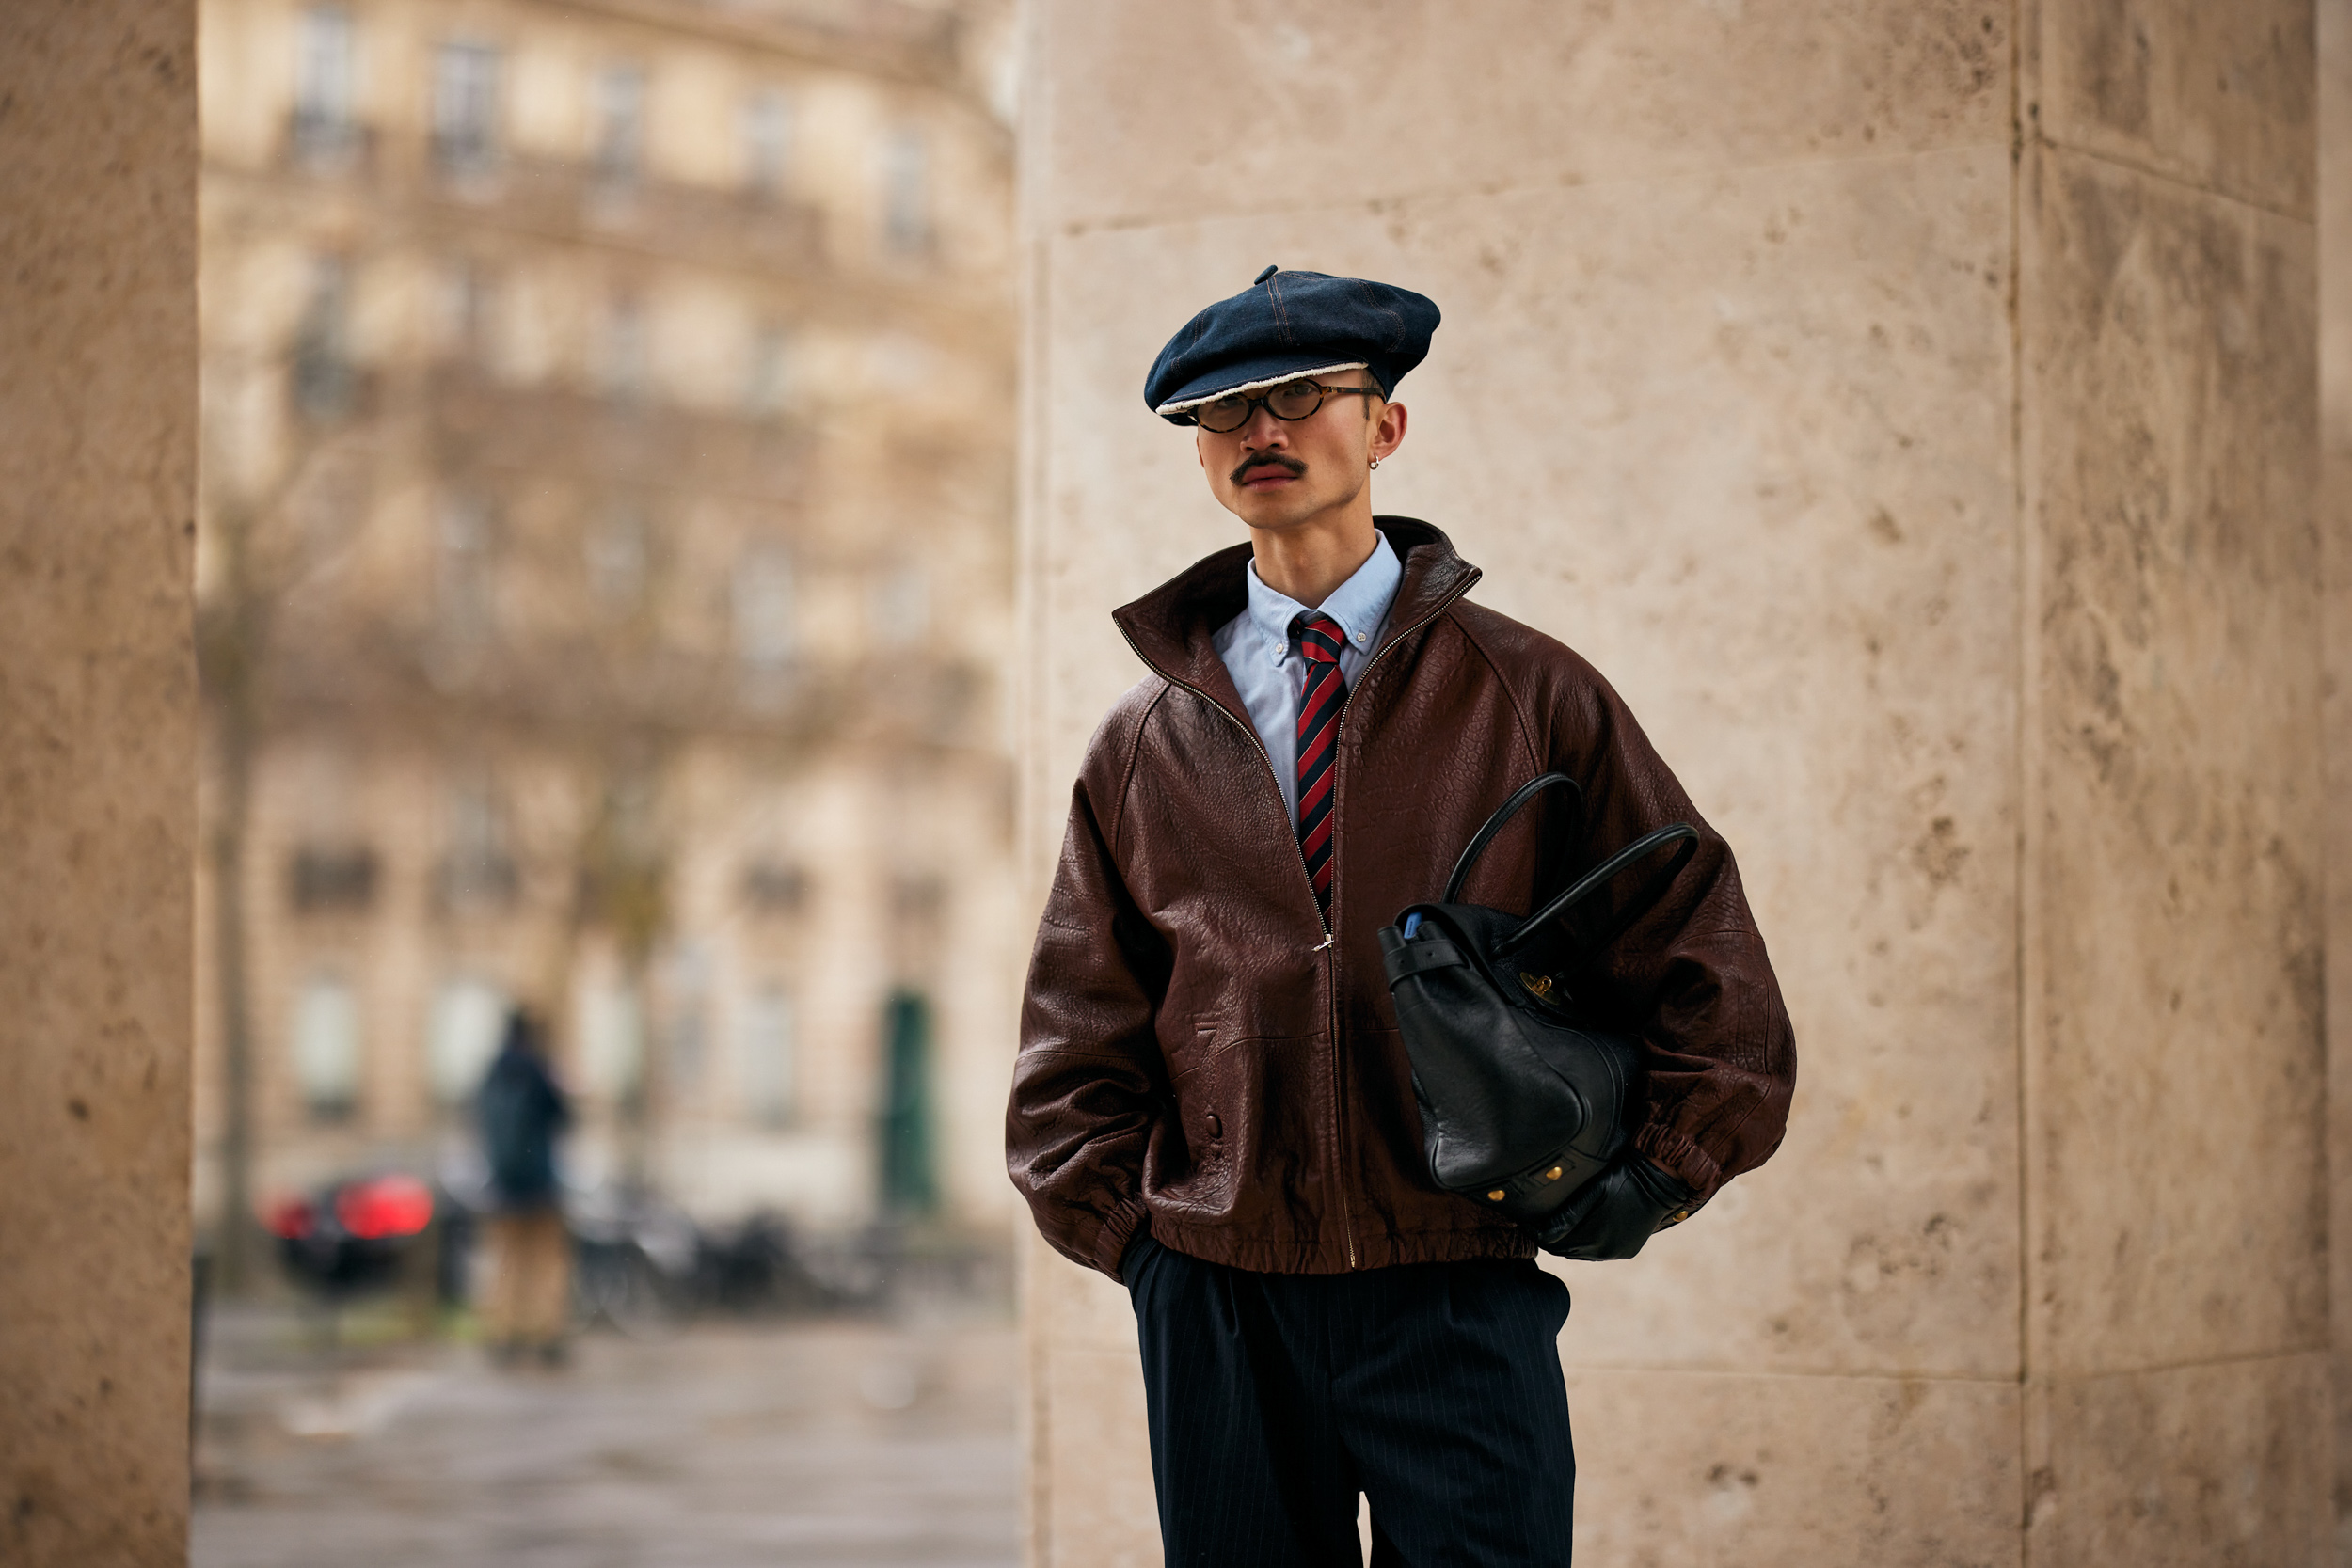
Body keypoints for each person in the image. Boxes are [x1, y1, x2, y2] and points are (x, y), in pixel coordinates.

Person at [1006, 266, 1797, 1567]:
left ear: (1385, 427)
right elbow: (1073, 1024)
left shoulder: (1530, 689)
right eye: (1224, 413)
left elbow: (1699, 940)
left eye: (1300, 397)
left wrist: (1662, 1164)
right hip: (1220, 1299)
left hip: (1458, 1279)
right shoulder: (1143, 739)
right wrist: (1148, 1245)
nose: (1261, 431)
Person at [476, 1006, 573, 1366]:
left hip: (501, 1187)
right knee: (546, 1262)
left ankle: (503, 1333)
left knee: (505, 1262)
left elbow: (480, 1123)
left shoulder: (490, 1074)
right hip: (542, 1185)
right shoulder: (539, 1071)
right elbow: (564, 1117)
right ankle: (546, 1334)